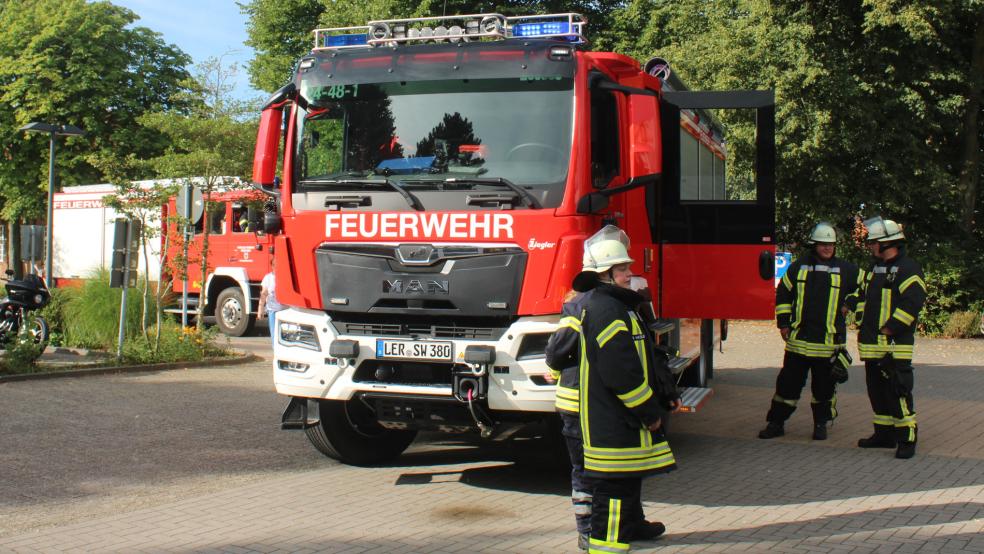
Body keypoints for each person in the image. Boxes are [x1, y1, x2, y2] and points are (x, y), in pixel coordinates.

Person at [569, 226, 680, 553]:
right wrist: (648, 412)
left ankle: (628, 530)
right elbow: (621, 373)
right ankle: (605, 548)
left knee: (627, 481)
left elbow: (644, 356)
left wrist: (664, 392)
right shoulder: (607, 310)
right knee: (613, 490)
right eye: (623, 270)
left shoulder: (618, 306)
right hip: (614, 422)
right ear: (604, 274)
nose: (630, 274)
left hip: (619, 420)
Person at [759, 222, 860, 441]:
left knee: (823, 390)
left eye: (830, 244)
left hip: (827, 345)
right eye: (823, 244)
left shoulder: (846, 269)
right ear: (814, 244)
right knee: (786, 387)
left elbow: (868, 285)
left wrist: (851, 302)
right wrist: (783, 324)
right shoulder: (798, 267)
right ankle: (776, 423)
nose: (827, 248)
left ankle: (820, 424)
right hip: (798, 343)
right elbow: (783, 293)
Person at [855, 217, 926, 459]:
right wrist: (851, 306)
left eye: (873, 242)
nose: (870, 246)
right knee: (877, 392)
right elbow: (861, 295)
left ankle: (907, 438)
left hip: (895, 345)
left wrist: (890, 328)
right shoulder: (874, 268)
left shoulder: (908, 269)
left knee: (897, 390)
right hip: (872, 345)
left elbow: (913, 302)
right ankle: (884, 434)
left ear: (886, 244)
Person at [545, 287, 596, 550]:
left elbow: (555, 355)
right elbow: (555, 353)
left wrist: (554, 372)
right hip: (580, 406)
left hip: (578, 404)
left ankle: (589, 529)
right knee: (587, 471)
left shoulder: (577, 311)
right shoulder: (581, 312)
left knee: (584, 471)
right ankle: (587, 529)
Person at [257, 258, 282, 342]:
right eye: (274, 265)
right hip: (273, 310)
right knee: (274, 335)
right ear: (272, 266)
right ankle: (275, 352)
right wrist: (260, 310)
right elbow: (264, 293)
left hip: (285, 310)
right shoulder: (268, 278)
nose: (277, 267)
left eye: (278, 265)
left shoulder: (285, 277)